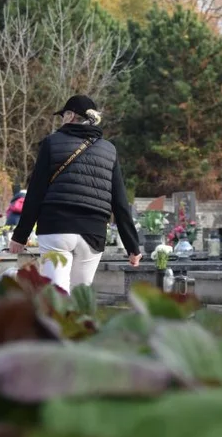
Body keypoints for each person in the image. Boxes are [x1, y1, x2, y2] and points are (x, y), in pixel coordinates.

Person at [9, 94, 142, 292]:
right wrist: (132, 246)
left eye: (63, 115)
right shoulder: (109, 150)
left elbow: (36, 192)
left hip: (57, 227)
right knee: (80, 295)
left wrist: (20, 236)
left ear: (70, 116)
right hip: (93, 231)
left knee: (56, 293)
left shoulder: (52, 143)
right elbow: (120, 201)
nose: (61, 120)